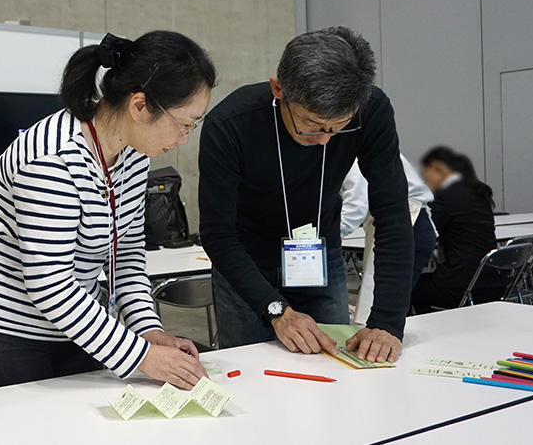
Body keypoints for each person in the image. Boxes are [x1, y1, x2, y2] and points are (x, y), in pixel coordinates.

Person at [0, 31, 216, 393]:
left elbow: (127, 256)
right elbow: (50, 283)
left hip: (75, 324)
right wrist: (142, 357)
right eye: (184, 124)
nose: (184, 138)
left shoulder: (132, 154)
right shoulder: (52, 158)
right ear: (139, 106)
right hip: (1, 328)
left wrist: (149, 331)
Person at [199, 27, 414, 364]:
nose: (325, 139)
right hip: (244, 259)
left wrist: (387, 322)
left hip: (317, 254)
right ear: (278, 89)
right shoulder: (230, 125)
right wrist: (277, 311)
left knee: (335, 363)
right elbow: (217, 233)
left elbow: (393, 214)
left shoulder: (372, 110)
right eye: (312, 124)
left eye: (339, 126)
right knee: (252, 370)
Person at [340, 155, 436, 326]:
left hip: (406, 222)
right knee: (385, 302)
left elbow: (356, 206)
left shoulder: (352, 154)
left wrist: (326, 240)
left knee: (382, 304)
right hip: (411, 221)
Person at [411, 146, 500, 313]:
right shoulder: (478, 191)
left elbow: (427, 233)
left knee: (408, 288)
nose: (424, 178)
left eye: (426, 172)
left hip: (459, 283)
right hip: (491, 278)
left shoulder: (445, 196)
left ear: (437, 168)